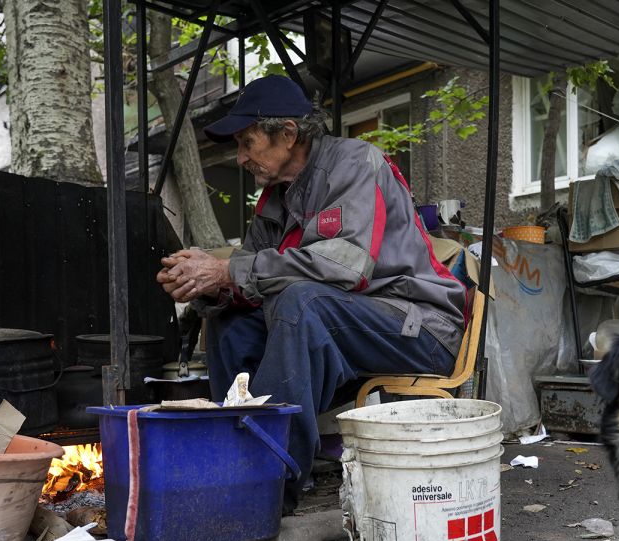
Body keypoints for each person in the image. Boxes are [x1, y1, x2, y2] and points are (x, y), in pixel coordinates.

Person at [156, 75, 466, 512]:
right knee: (230, 322)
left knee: (300, 301)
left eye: (247, 143)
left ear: (287, 134)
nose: (241, 157)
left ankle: (268, 486)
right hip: (350, 326)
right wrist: (208, 284)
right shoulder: (274, 200)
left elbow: (346, 267)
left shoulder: (356, 163)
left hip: (419, 326)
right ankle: (236, 455)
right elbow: (252, 279)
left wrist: (228, 269)